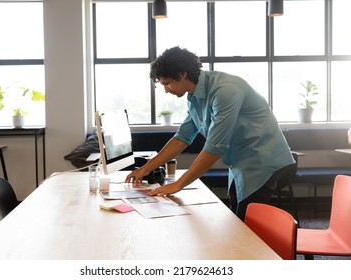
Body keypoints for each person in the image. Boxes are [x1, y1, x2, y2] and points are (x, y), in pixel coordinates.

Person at [125, 46, 295, 221]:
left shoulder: (225, 90)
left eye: (167, 83)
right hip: (240, 162)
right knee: (237, 221)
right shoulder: (194, 97)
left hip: (262, 159)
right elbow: (182, 137)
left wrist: (178, 184)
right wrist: (145, 169)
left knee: (248, 227)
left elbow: (214, 148)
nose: (166, 90)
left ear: (182, 74)